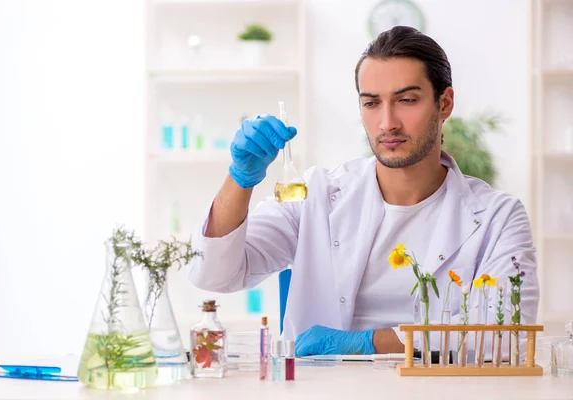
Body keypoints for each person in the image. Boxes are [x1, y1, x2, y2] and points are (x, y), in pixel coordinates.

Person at [188, 26, 539, 357]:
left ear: (444, 103)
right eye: (372, 103)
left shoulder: (497, 216)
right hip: (324, 390)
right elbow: (215, 274)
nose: (387, 123)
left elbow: (507, 337)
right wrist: (240, 179)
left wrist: (367, 343)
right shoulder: (318, 194)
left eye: (407, 100)